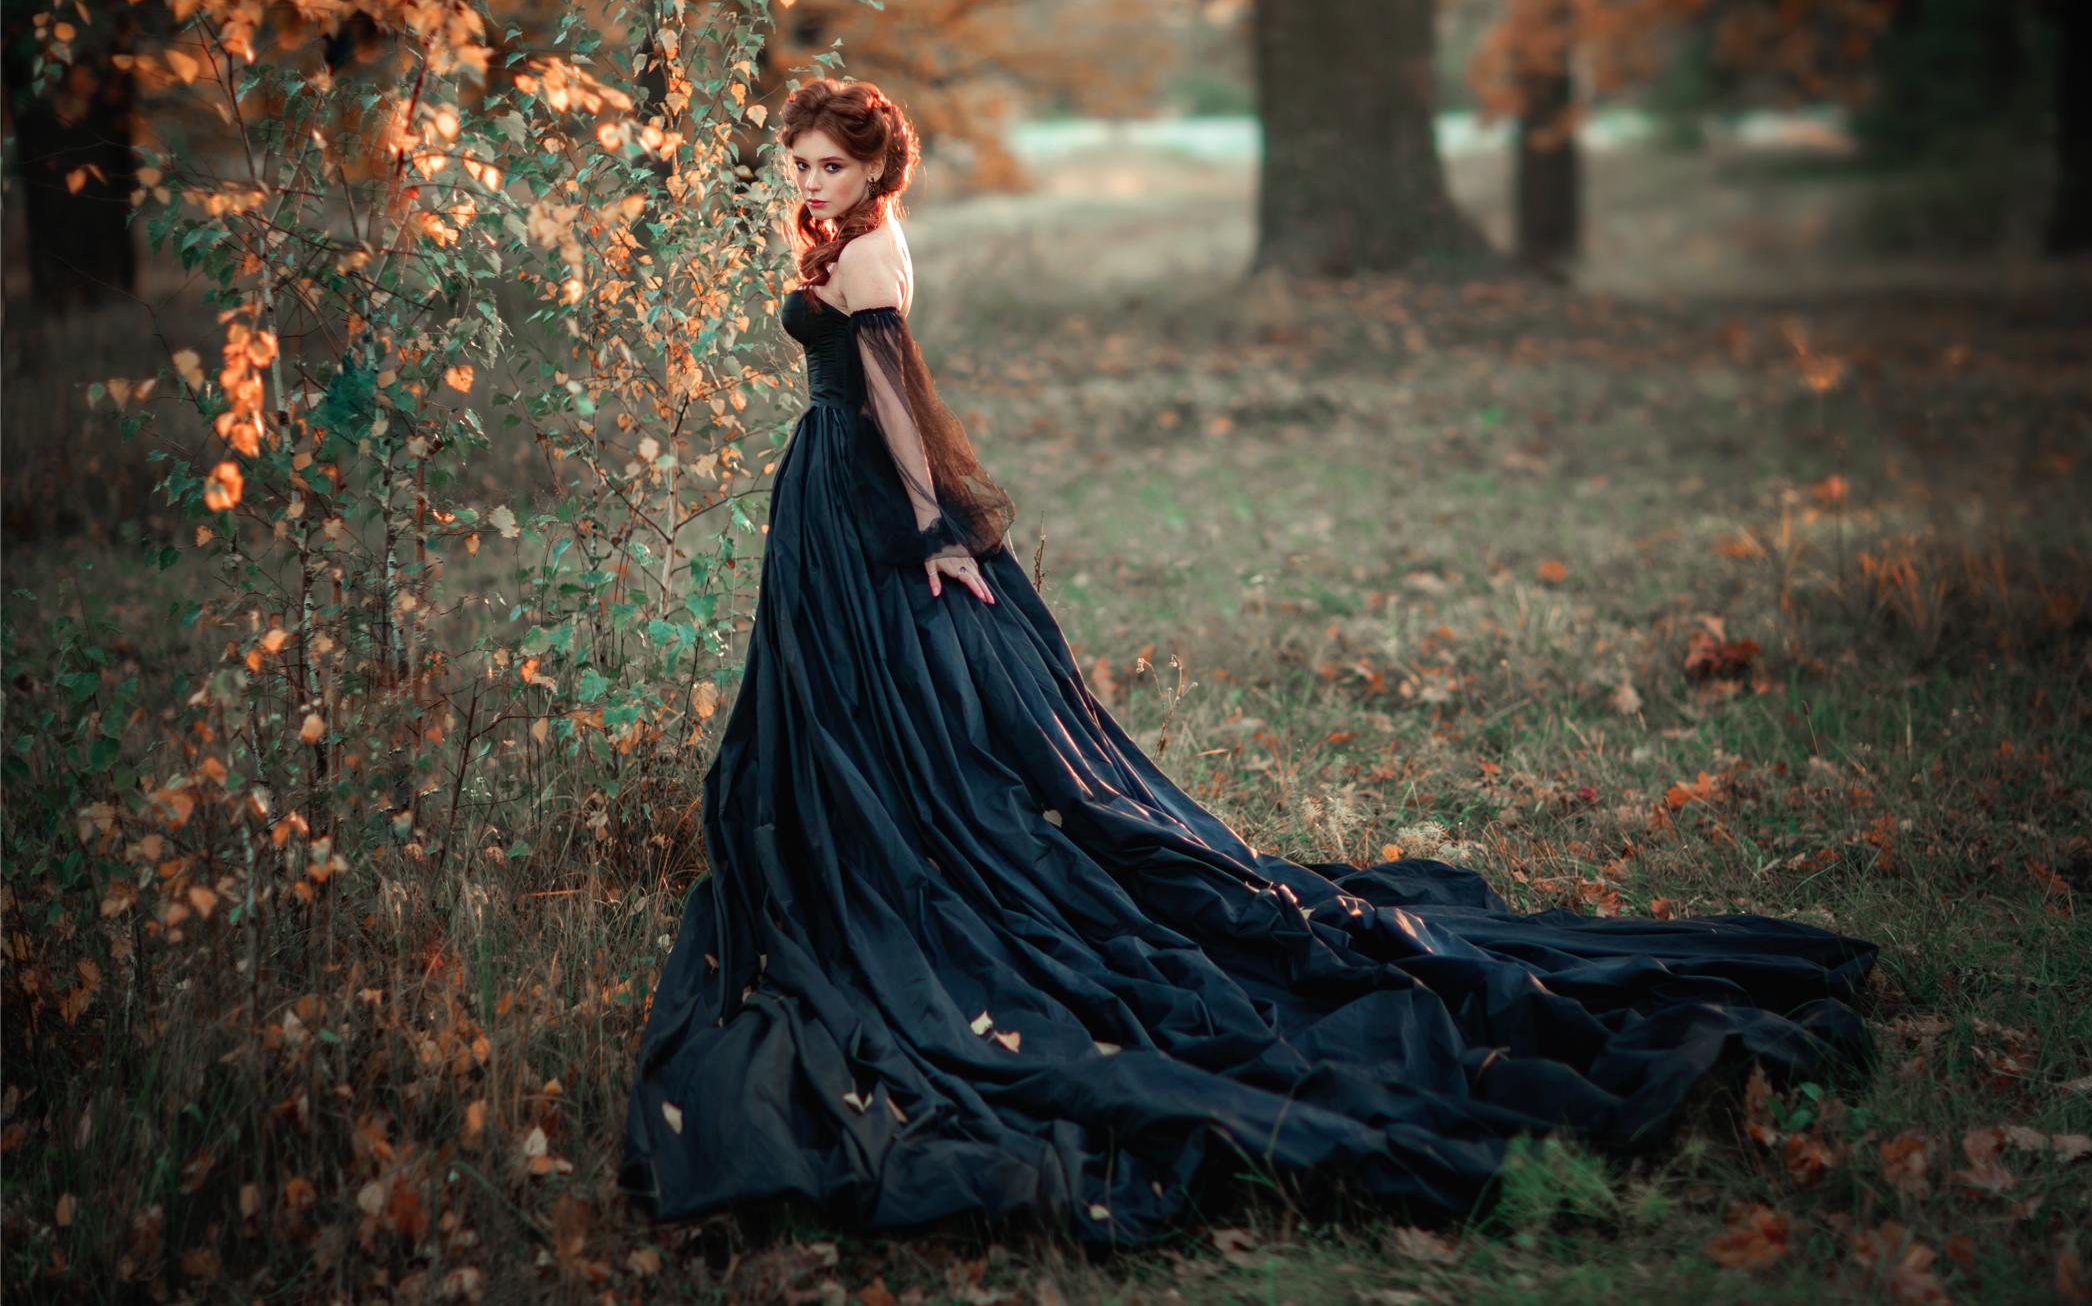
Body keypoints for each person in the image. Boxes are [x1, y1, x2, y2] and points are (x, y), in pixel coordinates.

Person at [619, 77, 1879, 1246]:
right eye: (799, 161)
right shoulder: (846, 245)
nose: (809, 180)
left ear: (877, 166)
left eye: (830, 163)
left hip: (869, 503)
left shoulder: (875, 255)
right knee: (842, 712)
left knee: (933, 726)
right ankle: (853, 844)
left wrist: (938, 532)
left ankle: (904, 867)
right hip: (831, 510)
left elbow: (895, 401)